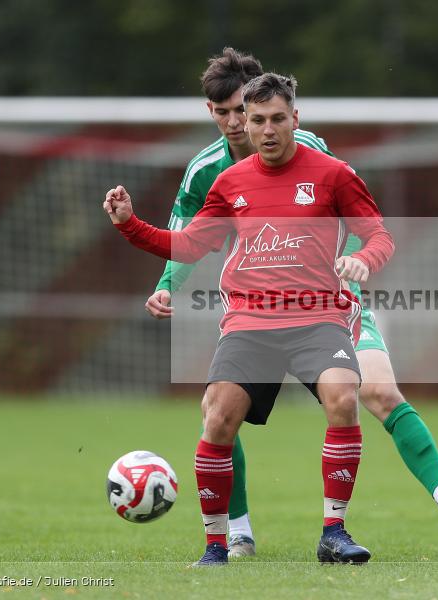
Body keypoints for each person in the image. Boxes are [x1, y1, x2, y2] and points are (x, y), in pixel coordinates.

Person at [147, 48, 438, 558]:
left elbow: (349, 218)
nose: (238, 122)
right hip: (258, 309)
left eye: (245, 109)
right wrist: (168, 283)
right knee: (217, 412)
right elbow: (184, 238)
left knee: (380, 394)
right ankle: (237, 533)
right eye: (225, 113)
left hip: (330, 303)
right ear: (209, 112)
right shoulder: (205, 172)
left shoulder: (306, 148)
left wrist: (354, 264)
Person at [106, 72, 395, 566]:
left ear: (295, 119)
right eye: (256, 119)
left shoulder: (334, 173)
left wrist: (364, 260)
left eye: (277, 119)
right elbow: (189, 244)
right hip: (250, 322)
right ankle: (217, 545)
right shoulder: (229, 182)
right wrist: (130, 225)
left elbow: (379, 236)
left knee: (344, 397)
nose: (265, 129)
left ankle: (334, 533)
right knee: (217, 417)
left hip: (317, 316)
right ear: (245, 120)